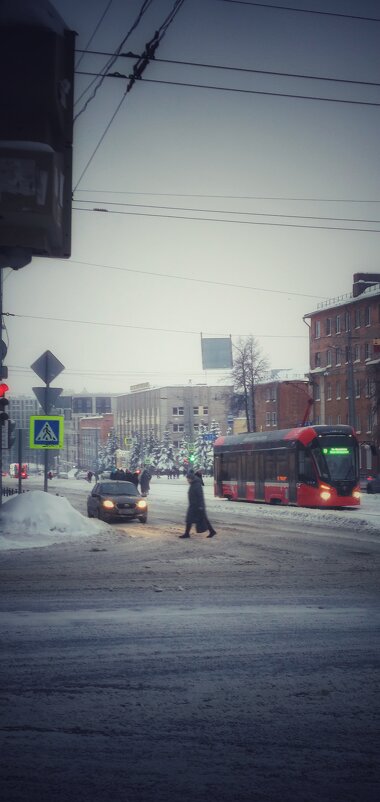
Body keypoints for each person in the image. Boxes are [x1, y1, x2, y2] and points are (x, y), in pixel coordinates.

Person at [179, 469, 216, 539]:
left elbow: (200, 496)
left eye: (188, 479)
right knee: (190, 519)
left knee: (201, 519)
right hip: (193, 505)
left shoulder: (196, 485)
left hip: (197, 506)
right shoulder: (193, 484)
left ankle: (212, 531)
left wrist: (201, 506)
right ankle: (187, 533)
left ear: (191, 478)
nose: (187, 480)